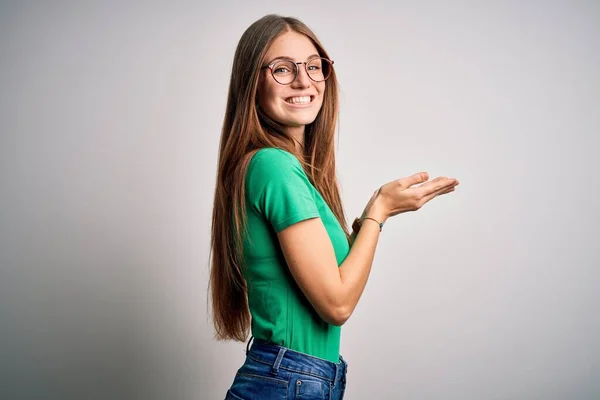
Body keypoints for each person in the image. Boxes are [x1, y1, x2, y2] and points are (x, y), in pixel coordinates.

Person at [209, 14, 459, 400]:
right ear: (251, 82)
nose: (303, 80)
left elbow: (332, 277)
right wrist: (379, 210)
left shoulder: (289, 169)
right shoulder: (274, 166)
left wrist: (372, 217)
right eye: (281, 69)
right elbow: (337, 304)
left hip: (298, 378)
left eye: (313, 66)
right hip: (287, 381)